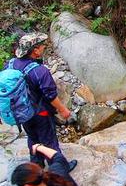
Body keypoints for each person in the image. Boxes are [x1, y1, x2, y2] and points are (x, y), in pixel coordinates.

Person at [4, 33, 76, 170]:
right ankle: (60, 168)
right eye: (42, 46)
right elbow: (50, 96)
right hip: (40, 112)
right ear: (35, 50)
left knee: (32, 137)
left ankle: (36, 165)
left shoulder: (10, 64)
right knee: (49, 140)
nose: (44, 47)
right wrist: (63, 110)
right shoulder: (39, 71)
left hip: (21, 111)